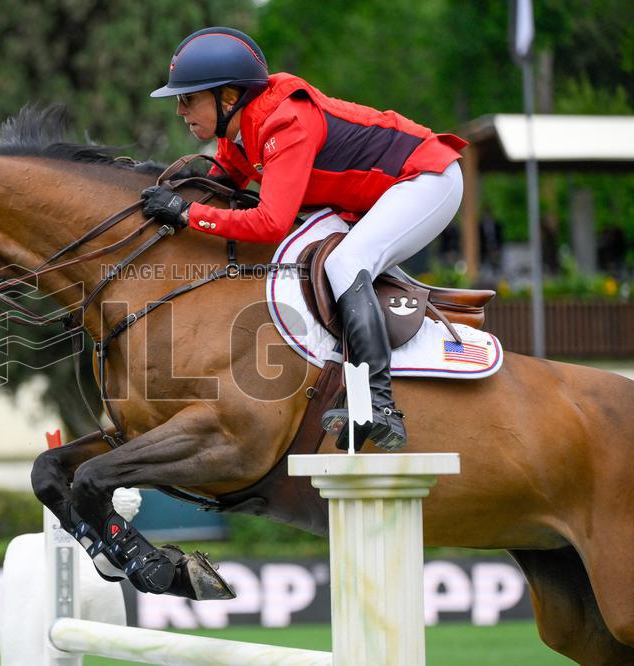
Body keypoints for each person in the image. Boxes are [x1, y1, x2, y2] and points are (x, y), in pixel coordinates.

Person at [141, 27, 467, 452]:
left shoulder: (285, 121)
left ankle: (378, 403)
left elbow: (271, 223)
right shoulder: (237, 132)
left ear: (229, 97)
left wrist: (187, 213)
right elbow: (223, 185)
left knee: (345, 264)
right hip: (379, 195)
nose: (181, 111)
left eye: (189, 98)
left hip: (426, 179)